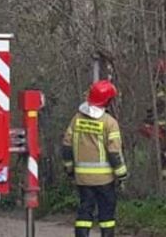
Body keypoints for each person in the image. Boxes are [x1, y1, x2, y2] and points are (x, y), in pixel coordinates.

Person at [63, 79, 127, 237]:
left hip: (82, 179)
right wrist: (122, 174)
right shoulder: (109, 123)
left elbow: (66, 146)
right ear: (107, 101)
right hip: (104, 180)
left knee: (84, 213)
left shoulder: (76, 119)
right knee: (106, 216)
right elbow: (114, 153)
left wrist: (70, 170)